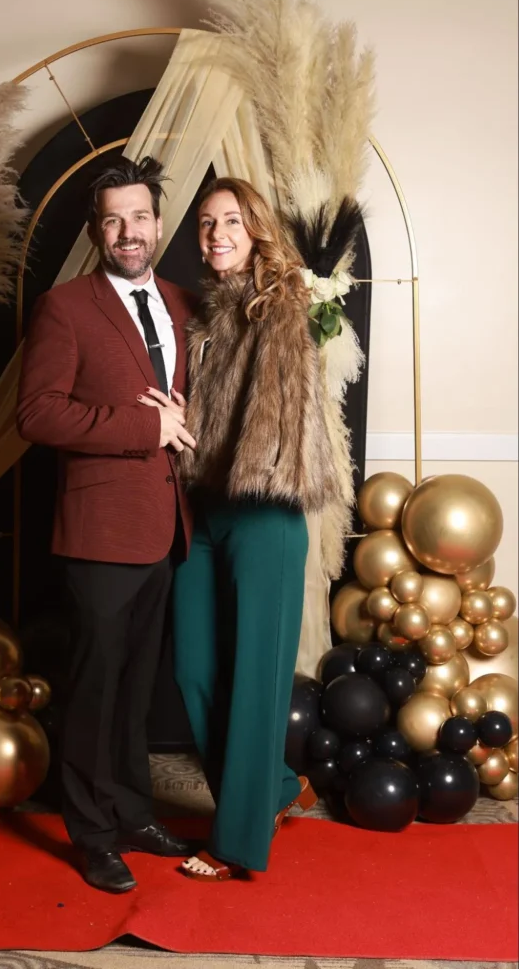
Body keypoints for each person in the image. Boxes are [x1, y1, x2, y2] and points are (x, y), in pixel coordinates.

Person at [17, 156, 197, 894]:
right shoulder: (65, 307)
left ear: (158, 222)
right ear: (97, 231)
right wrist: (142, 427)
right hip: (97, 530)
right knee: (92, 694)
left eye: (140, 216)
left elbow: (188, 407)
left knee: (133, 689)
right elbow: (38, 413)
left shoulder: (183, 302)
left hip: (164, 525)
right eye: (114, 219)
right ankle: (91, 836)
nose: (129, 231)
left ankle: (131, 811)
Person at [150, 177, 337, 880]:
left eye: (230, 221)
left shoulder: (279, 304)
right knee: (193, 667)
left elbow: (269, 425)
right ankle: (278, 791)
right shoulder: (206, 317)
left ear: (255, 229)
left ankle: (235, 843)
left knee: (255, 678)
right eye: (205, 223)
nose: (216, 234)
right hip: (207, 510)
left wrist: (195, 437)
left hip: (263, 512)